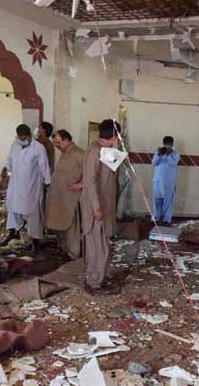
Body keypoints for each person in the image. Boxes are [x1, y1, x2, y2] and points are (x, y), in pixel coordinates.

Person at [81, 119, 120, 295]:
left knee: (99, 245)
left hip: (103, 205)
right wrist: (96, 206)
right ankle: (94, 283)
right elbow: (90, 181)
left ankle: (95, 278)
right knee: (99, 247)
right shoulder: (95, 151)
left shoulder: (105, 151)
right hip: (96, 208)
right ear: (114, 136)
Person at [0, 124, 51, 252]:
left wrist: (48, 182)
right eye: (20, 138)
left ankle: (35, 242)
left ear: (29, 136)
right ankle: (12, 233)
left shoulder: (38, 148)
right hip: (16, 185)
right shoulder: (15, 145)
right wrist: (5, 169)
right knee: (13, 210)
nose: (22, 140)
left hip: (31, 187)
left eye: (24, 138)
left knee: (33, 213)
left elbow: (44, 166)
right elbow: (9, 160)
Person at [45, 130, 85, 258]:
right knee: (59, 225)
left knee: (71, 226)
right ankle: (64, 249)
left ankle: (73, 253)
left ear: (67, 140)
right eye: (55, 144)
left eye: (58, 143)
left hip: (70, 198)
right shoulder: (63, 153)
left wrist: (80, 185)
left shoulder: (79, 154)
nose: (57, 146)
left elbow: (92, 175)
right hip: (58, 197)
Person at [152, 136, 180, 226]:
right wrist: (159, 154)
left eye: (169, 145)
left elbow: (173, 163)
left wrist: (168, 155)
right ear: (163, 144)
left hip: (169, 182)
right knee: (156, 200)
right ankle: (155, 218)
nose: (167, 147)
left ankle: (166, 220)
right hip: (158, 181)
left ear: (172, 145)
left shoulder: (175, 154)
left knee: (168, 201)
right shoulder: (159, 152)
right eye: (166, 145)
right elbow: (154, 163)